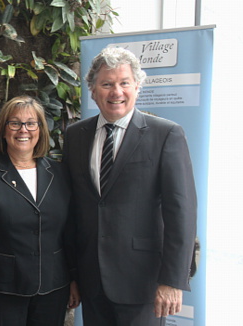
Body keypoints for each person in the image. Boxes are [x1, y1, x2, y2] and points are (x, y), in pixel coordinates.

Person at [62, 47, 197, 326]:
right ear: (93, 90)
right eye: (107, 84)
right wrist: (73, 274)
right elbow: (73, 210)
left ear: (137, 87)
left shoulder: (166, 134)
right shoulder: (75, 136)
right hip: (92, 280)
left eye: (124, 83)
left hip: (143, 282)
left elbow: (181, 212)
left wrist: (172, 280)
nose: (116, 92)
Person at [0, 95, 80, 326]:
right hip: (2, 291)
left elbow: (69, 232)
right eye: (14, 123)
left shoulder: (60, 174)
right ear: (3, 130)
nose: (23, 130)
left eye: (31, 123)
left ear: (40, 129)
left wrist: (74, 278)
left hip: (53, 289)